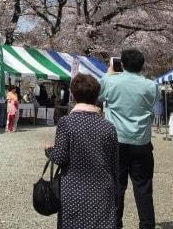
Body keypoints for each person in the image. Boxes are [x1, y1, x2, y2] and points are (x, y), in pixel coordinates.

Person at [46, 73, 118, 229]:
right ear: (96, 95)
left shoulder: (67, 123)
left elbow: (60, 157)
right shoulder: (109, 127)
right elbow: (114, 165)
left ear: (73, 95)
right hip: (103, 191)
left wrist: (49, 151)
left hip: (73, 190)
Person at [99, 49, 159, 229]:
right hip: (141, 142)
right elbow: (152, 104)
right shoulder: (150, 85)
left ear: (122, 64)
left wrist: (109, 73)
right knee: (143, 189)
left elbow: (99, 96)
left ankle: (115, 225)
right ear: (142, 65)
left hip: (116, 141)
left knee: (116, 188)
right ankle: (147, 225)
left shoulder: (110, 81)